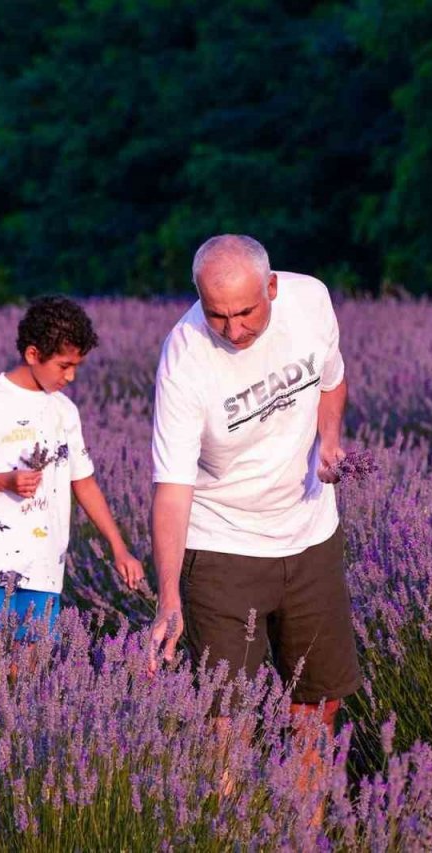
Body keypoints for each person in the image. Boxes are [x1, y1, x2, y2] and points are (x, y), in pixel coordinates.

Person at [147, 234, 361, 806]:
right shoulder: (185, 356)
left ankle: (304, 831)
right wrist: (169, 596)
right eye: (217, 316)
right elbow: (172, 487)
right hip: (223, 547)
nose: (234, 331)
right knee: (226, 718)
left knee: (316, 706)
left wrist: (330, 442)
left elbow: (333, 378)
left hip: (310, 536)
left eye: (246, 313)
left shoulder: (311, 301)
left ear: (271, 288)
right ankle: (231, 831)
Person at [0, 296, 144, 639]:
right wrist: (4, 480)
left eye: (77, 365)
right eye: (64, 365)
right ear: (33, 355)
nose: (71, 376)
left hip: (44, 565)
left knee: (32, 672)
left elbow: (85, 483)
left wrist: (119, 547)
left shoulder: (64, 410)